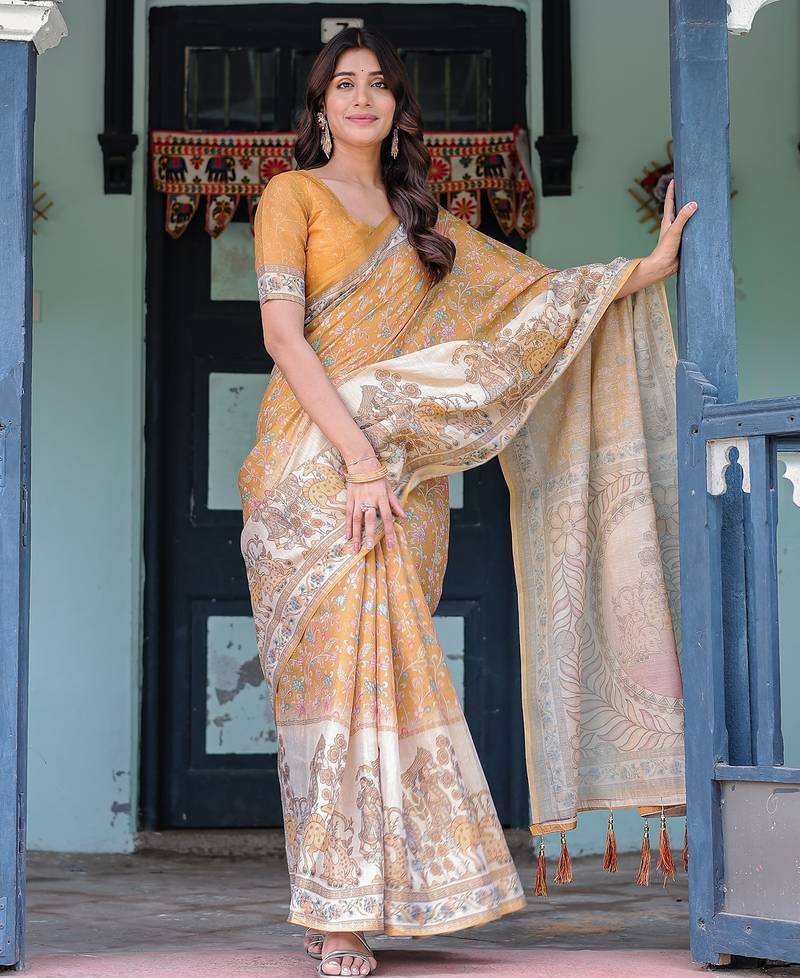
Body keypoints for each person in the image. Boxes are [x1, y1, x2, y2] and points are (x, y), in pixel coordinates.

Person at [238, 26, 695, 978]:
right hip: (316, 470)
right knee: (333, 689)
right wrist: (359, 459)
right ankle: (334, 911)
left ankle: (376, 897)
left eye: (378, 84)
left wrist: (638, 273)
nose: (362, 98)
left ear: (399, 106)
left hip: (407, 478)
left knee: (391, 684)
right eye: (343, 84)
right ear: (319, 105)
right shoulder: (292, 195)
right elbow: (285, 338)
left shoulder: (425, 220)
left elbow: (528, 307)